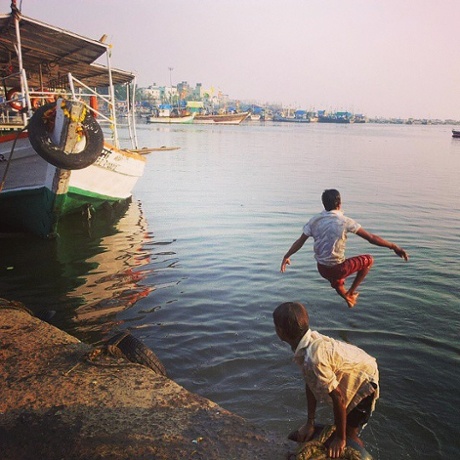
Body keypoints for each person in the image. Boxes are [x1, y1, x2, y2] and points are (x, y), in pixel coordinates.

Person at [273, 302, 379, 459]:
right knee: (342, 425)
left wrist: (340, 438)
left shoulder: (314, 358)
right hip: (354, 367)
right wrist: (310, 422)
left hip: (364, 380)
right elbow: (310, 382)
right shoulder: (305, 347)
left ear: (280, 331)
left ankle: (356, 452)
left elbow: (339, 398)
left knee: (350, 433)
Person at [280, 189, 408, 308]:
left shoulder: (314, 221)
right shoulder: (344, 221)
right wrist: (393, 246)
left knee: (336, 279)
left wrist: (287, 256)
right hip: (338, 268)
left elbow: (300, 241)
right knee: (369, 260)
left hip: (322, 269)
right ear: (340, 204)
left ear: (324, 204)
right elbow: (371, 237)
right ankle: (351, 293)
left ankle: (348, 299)